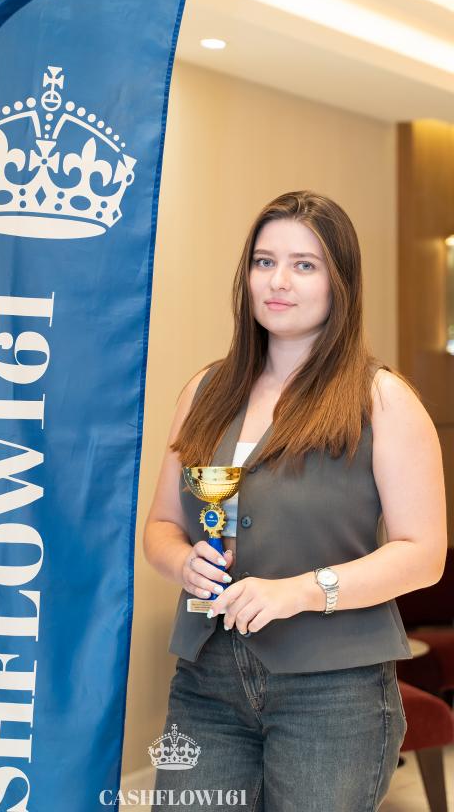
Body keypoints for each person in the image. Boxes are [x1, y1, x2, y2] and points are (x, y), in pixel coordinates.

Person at [143, 190, 447, 812]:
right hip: (206, 682)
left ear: (341, 282)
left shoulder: (382, 400)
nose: (278, 281)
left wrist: (302, 591)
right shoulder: (206, 390)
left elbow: (424, 554)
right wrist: (183, 563)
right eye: (265, 262)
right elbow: (163, 526)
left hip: (333, 692)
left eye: (304, 265)